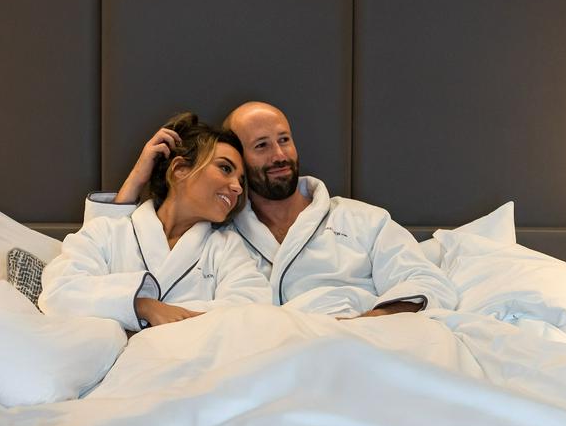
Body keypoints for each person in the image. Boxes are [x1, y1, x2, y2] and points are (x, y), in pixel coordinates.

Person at [84, 102, 457, 319]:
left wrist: (368, 323)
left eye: (284, 140)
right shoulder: (219, 234)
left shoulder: (362, 220)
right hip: (273, 362)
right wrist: (138, 178)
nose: (279, 155)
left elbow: (427, 283)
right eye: (261, 146)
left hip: (363, 343)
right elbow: (119, 252)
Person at [39, 113, 271, 332]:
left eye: (240, 180)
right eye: (225, 168)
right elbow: (60, 292)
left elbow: (251, 308)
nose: (237, 187)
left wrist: (152, 321)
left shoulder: (227, 247)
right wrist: (143, 307)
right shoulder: (107, 232)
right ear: (180, 169)